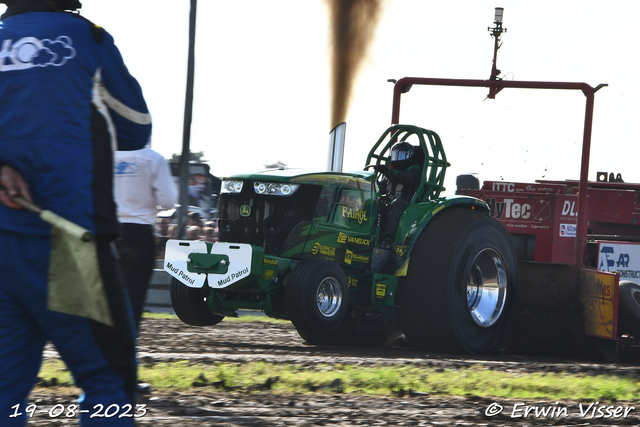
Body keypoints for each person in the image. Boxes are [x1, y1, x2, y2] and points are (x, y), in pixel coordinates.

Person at [0, 1, 151, 425]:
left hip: (2, 243)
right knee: (107, 380)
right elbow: (136, 127)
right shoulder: (88, 37)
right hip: (70, 238)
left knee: (4, 384)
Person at [114, 145, 177, 330]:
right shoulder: (153, 158)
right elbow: (168, 201)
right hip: (138, 232)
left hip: (106, 231)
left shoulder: (101, 151)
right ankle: (124, 349)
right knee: (133, 298)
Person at [375, 141, 422, 249]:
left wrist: (389, 172)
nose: (396, 159)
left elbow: (406, 178)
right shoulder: (391, 172)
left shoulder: (414, 170)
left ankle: (388, 240)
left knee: (398, 204)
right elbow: (381, 188)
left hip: (406, 206)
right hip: (390, 204)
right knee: (376, 204)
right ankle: (373, 236)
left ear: (408, 156)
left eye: (399, 155)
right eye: (395, 155)